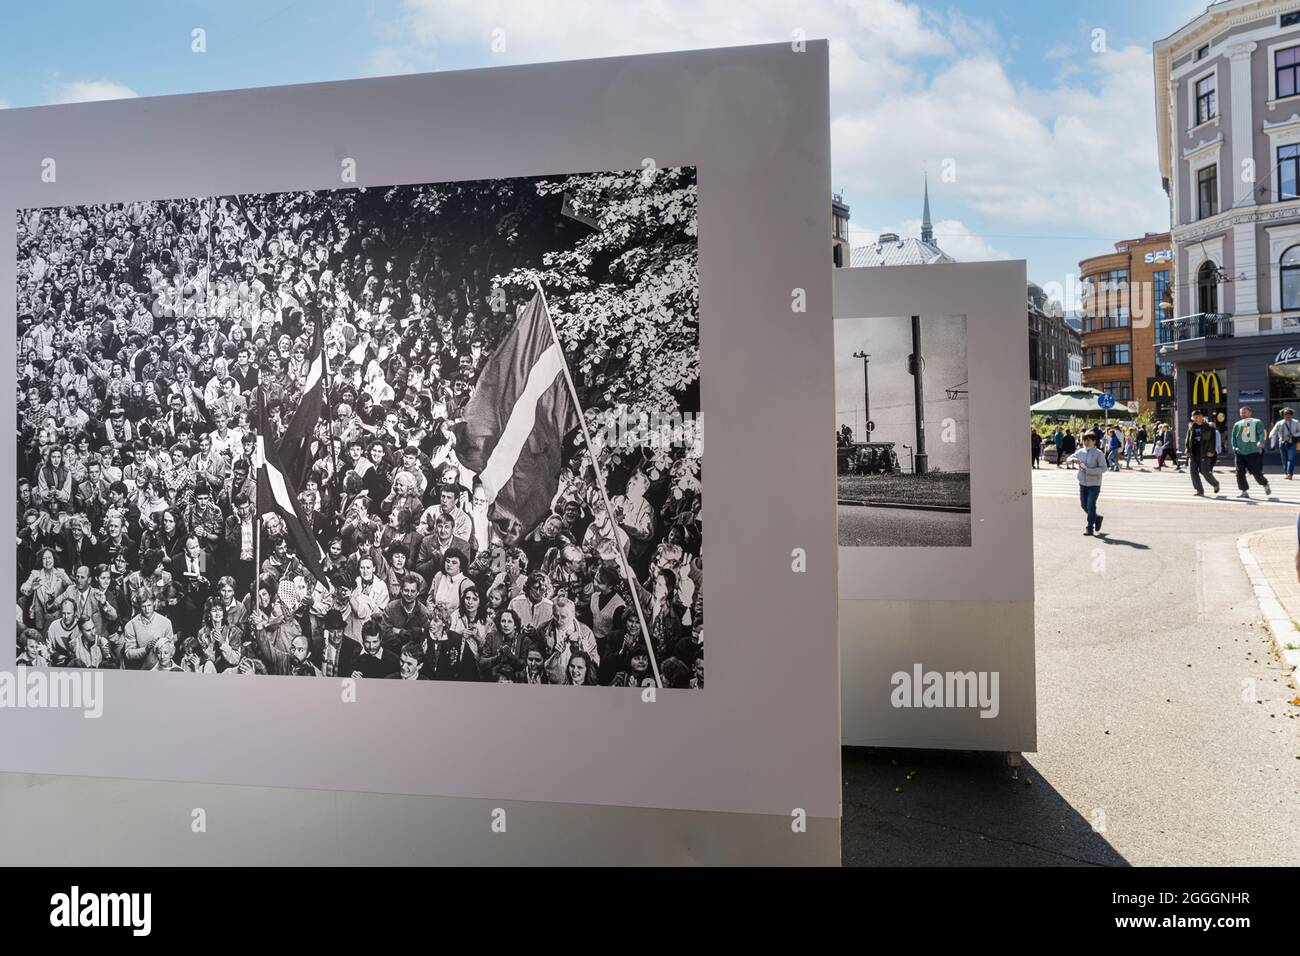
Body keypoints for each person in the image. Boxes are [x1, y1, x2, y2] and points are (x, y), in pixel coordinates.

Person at [1066, 431, 1107, 536]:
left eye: (1088, 440)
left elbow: (1104, 468)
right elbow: (1068, 459)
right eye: (1084, 440)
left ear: (1094, 441)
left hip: (1094, 484)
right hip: (1082, 483)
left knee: (1090, 505)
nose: (1086, 442)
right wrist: (1073, 460)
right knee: (1084, 505)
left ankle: (1089, 528)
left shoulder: (1098, 453)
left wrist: (1089, 470)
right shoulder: (1080, 452)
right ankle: (1097, 517)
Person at [1230, 405, 1271, 499]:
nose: (1243, 414)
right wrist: (1234, 447)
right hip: (1239, 452)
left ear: (1250, 413)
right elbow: (1233, 437)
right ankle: (1244, 491)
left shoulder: (1257, 422)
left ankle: (1265, 483)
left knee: (1256, 472)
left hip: (1253, 451)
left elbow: (1261, 433)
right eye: (1241, 412)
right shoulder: (1237, 424)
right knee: (1239, 473)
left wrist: (1261, 441)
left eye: (1245, 412)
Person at [1185, 409, 1222, 497]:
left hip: (1205, 453)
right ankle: (1199, 490)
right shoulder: (1191, 427)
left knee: (1205, 472)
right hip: (1193, 454)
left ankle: (1215, 484)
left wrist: (1212, 451)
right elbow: (1187, 440)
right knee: (1193, 472)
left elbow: (1213, 440)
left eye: (1197, 417)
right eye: (1194, 418)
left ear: (1202, 417)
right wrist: (1187, 449)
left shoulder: (1209, 427)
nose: (1195, 419)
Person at [1270, 407, 1300, 480]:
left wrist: (1293, 435)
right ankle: (1287, 474)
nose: (1287, 415)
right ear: (1282, 415)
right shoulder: (1279, 423)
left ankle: (1290, 473)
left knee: (1290, 459)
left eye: (1289, 413)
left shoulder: (1296, 422)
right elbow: (1273, 432)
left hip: (1292, 442)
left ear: (1291, 414)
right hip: (1282, 443)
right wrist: (1271, 436)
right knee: (1284, 460)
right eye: (1285, 414)